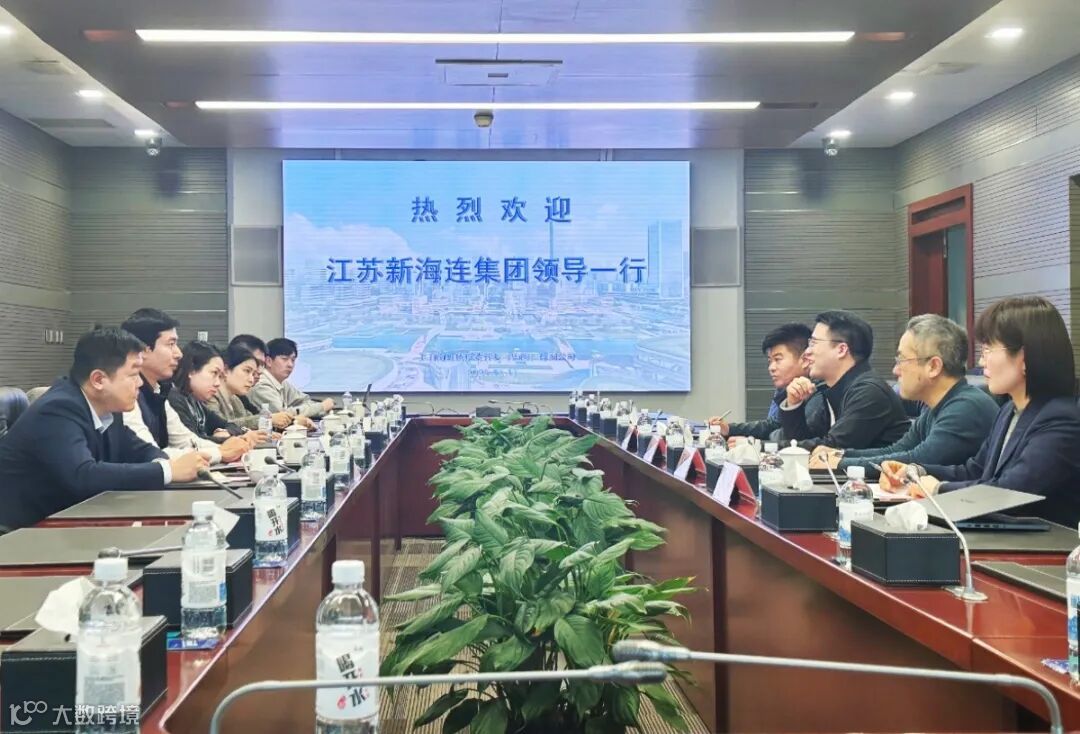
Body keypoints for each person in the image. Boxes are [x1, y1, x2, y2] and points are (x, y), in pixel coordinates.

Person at [884, 296, 1080, 527]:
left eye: (988, 349)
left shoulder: (1061, 418)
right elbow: (975, 470)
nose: (980, 361)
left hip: (1045, 545)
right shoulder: (1008, 410)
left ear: (1025, 358)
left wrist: (938, 489)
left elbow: (1011, 492)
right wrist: (916, 472)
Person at [0, 328, 207, 531]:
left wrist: (164, 463)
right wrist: (167, 471)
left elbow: (139, 450)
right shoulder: (58, 409)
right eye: (134, 374)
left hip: (69, 523)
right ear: (98, 380)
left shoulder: (107, 408)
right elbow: (83, 476)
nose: (139, 383)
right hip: (20, 533)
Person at [811, 314, 998, 476]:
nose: (895, 370)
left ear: (933, 366)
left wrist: (840, 464)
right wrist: (840, 455)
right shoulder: (937, 407)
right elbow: (899, 449)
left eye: (902, 360)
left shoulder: (966, 408)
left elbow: (917, 459)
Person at [119, 308, 248, 463]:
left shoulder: (159, 390)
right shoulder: (126, 393)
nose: (179, 354)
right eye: (171, 344)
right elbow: (150, 455)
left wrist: (228, 449)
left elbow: (185, 440)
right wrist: (220, 453)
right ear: (144, 350)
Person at [779, 310, 909, 450]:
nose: (807, 352)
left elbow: (832, 449)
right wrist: (793, 405)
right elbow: (804, 443)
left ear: (841, 350)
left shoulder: (869, 393)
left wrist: (769, 447)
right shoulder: (827, 389)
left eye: (813, 343)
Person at [711, 323, 827, 443]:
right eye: (770, 361)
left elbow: (794, 440)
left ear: (805, 359)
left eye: (777, 359)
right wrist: (729, 429)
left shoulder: (819, 394)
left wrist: (752, 444)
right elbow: (774, 425)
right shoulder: (784, 391)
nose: (771, 368)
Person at [168, 341, 263, 445]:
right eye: (214, 373)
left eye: (219, 376)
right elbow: (193, 442)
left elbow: (230, 425)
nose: (218, 383)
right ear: (191, 371)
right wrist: (228, 438)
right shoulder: (174, 399)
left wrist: (228, 433)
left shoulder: (194, 400)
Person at [208, 343, 293, 431]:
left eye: (253, 374)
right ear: (225, 370)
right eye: (247, 371)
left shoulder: (235, 400)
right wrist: (268, 419)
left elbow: (247, 422)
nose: (251, 380)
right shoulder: (210, 397)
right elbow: (220, 426)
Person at [250, 337, 335, 420]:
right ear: (268, 361)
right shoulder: (261, 384)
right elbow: (282, 416)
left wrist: (314, 409)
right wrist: (321, 407)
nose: (290, 365)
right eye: (284, 359)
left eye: (293, 360)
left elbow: (305, 400)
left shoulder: (282, 383)